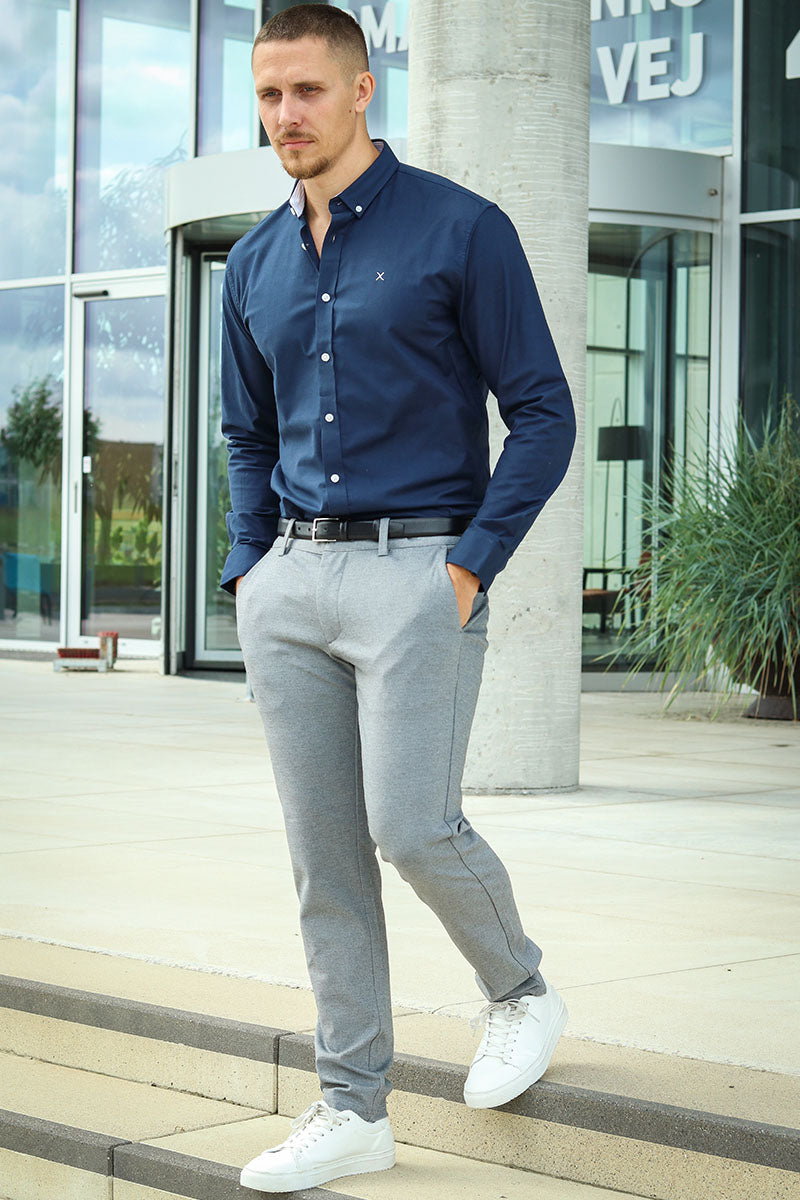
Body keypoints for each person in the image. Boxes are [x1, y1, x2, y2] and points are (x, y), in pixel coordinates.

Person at [221, 5, 576, 1192]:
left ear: (362, 88)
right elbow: (245, 434)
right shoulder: (254, 263)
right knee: (324, 862)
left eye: (307, 91)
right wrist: (250, 570)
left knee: (412, 825)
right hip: (292, 585)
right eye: (268, 95)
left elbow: (542, 412)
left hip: (418, 571)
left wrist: (466, 568)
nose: (285, 116)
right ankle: (351, 1107)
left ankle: (518, 989)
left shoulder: (460, 229)